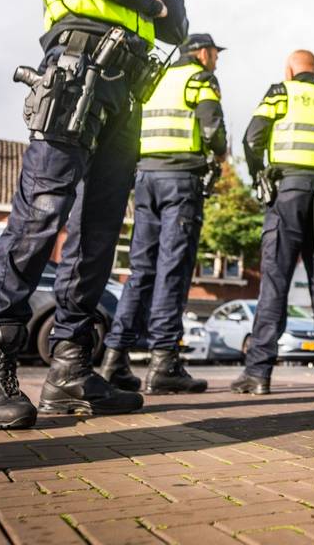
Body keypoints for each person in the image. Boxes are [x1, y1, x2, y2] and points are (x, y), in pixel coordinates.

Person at [0, 0, 188, 429]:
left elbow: (176, 30)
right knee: (39, 216)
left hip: (121, 92)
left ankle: (70, 369)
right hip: (76, 75)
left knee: (97, 233)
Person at [98, 33, 227, 395]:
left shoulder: (157, 79)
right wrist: (219, 152)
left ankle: (114, 358)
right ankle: (164, 362)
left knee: (141, 270)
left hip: (146, 179)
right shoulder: (200, 78)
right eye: (215, 53)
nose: (216, 60)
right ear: (202, 53)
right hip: (179, 181)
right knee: (173, 267)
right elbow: (212, 126)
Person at [231, 50, 314, 395]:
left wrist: (259, 175)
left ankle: (258, 374)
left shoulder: (281, 92)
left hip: (288, 191)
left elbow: (252, 138)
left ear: (290, 70)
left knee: (275, 280)